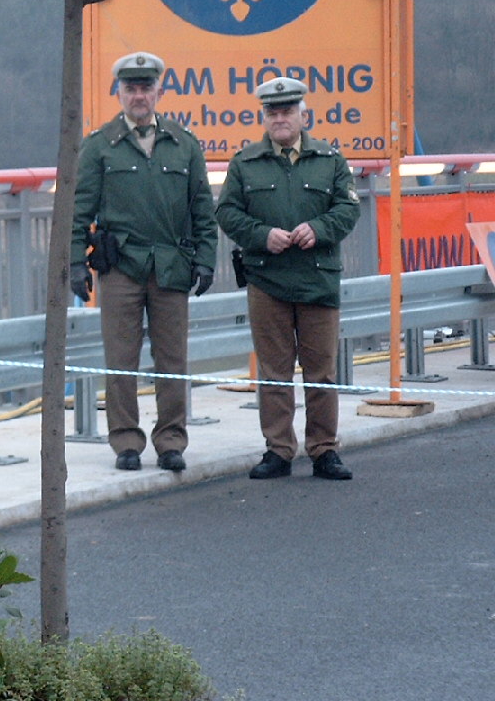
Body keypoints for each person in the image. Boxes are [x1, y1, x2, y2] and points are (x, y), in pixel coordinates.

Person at [71, 52, 216, 473]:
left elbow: (202, 208)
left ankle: (171, 441)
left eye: (145, 88)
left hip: (171, 263)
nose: (139, 96)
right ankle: (126, 441)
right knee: (121, 358)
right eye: (130, 88)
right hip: (121, 265)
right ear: (119, 92)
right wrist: (75, 263)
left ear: (159, 92)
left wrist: (206, 259)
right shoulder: (100, 146)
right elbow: (78, 211)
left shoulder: (184, 144)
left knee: (173, 359)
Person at [216, 75, 360, 481]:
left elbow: (348, 209)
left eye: (287, 111)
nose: (280, 118)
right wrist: (261, 235)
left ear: (303, 115)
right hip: (268, 281)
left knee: (321, 372)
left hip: (317, 280)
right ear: (264, 118)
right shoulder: (245, 163)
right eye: (272, 112)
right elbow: (227, 212)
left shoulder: (330, 160)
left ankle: (324, 450)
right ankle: (278, 450)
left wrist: (320, 228)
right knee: (274, 372)